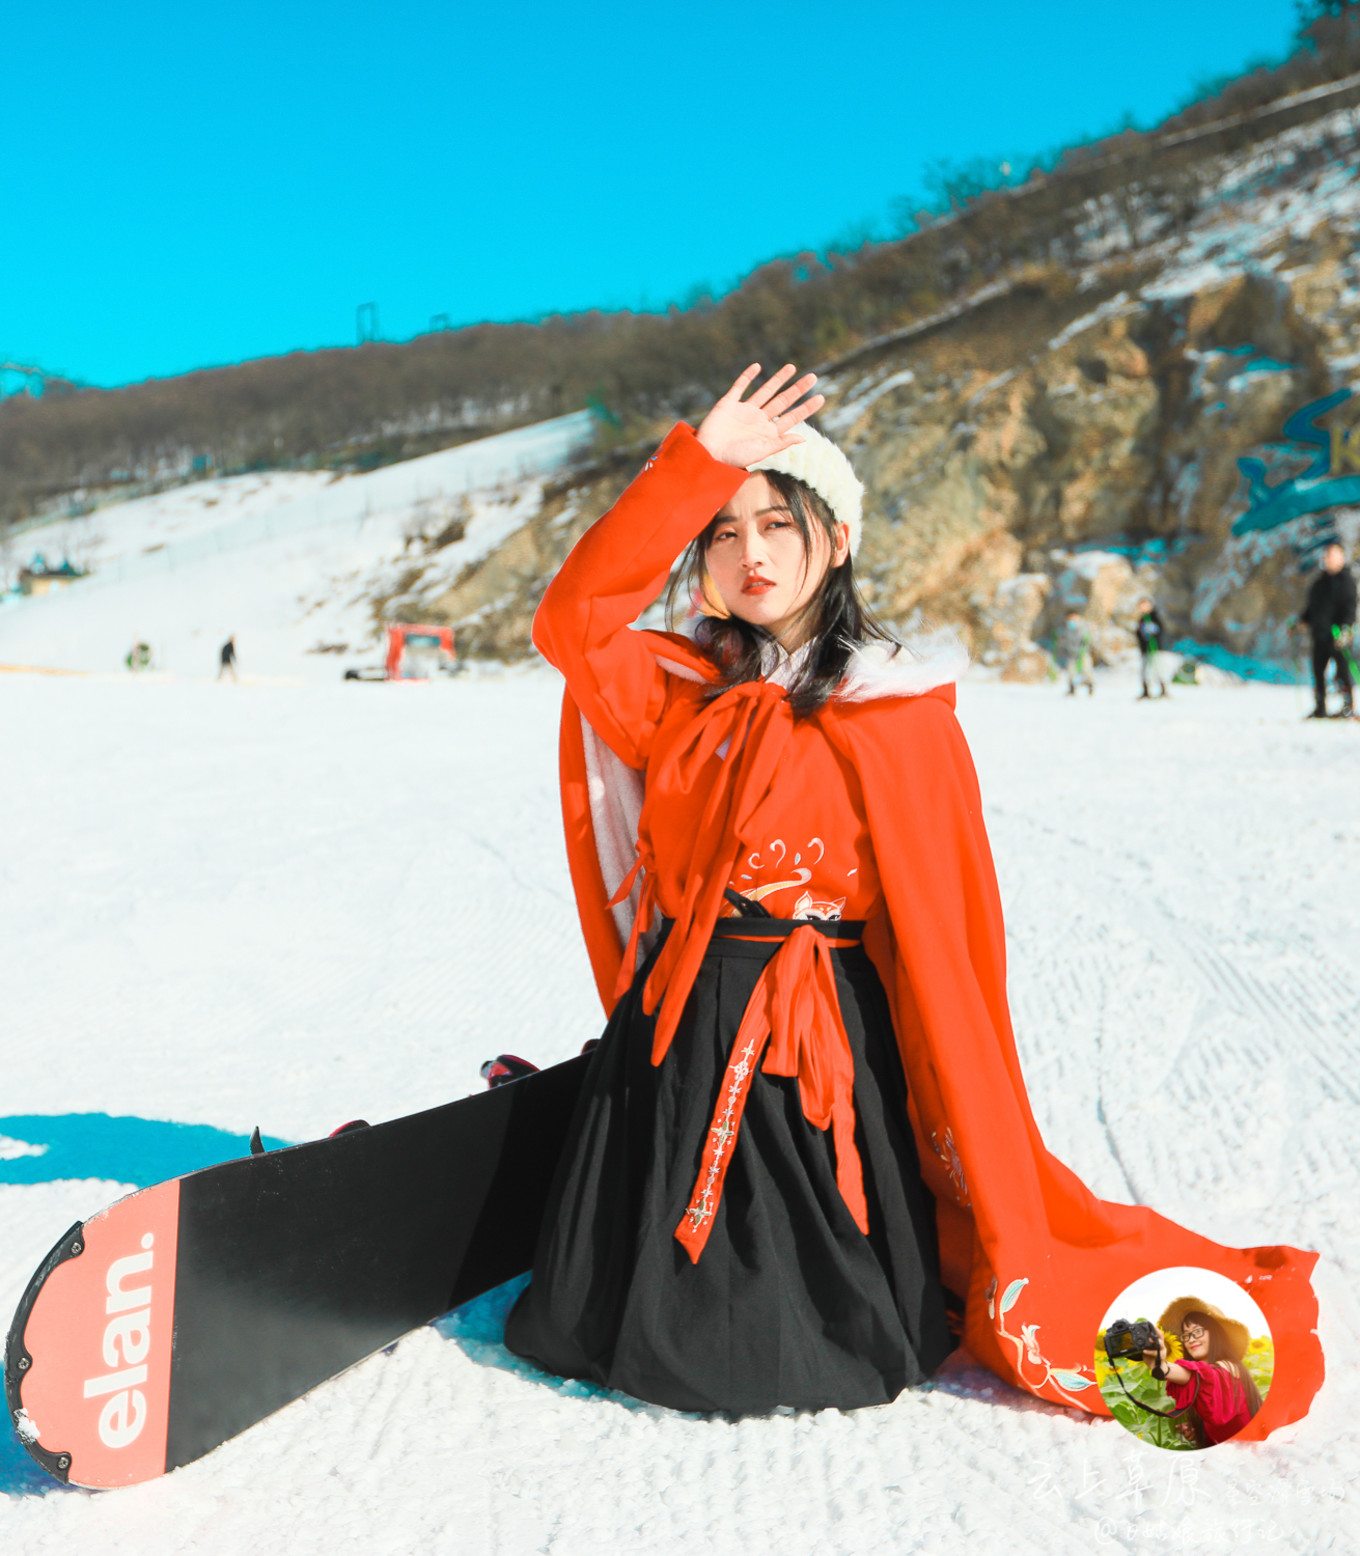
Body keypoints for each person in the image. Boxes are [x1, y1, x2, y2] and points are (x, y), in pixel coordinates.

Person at [505, 363, 1323, 1427]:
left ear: (835, 539)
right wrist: (692, 466)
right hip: (680, 1027)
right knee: (610, 1309)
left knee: (807, 1339)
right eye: (720, 530)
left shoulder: (899, 714)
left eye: (777, 524)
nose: (750, 552)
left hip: (823, 1045)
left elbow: (946, 932)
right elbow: (571, 619)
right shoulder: (677, 692)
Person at [1143, 1297, 1263, 1448]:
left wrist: (1161, 1366)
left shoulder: (1229, 1367)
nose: (1191, 1339)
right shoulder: (1208, 1385)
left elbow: (1197, 1376)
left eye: (1198, 1331)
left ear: (1216, 1333)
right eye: (1186, 1335)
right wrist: (1200, 1431)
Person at [1300, 541, 1356, 718]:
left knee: (1342, 671)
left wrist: (1346, 628)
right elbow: (1312, 607)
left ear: (1341, 558)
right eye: (1327, 556)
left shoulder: (1347, 582)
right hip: (1319, 633)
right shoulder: (1319, 582)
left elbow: (1350, 607)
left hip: (1338, 634)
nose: (1328, 559)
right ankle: (1320, 707)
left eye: (1332, 555)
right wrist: (1302, 621)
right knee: (1318, 672)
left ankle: (1348, 706)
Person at [1133, 598, 1168, 700]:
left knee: (1158, 669)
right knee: (1145, 671)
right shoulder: (1142, 619)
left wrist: (1154, 630)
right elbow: (1138, 634)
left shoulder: (1155, 617)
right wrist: (1142, 635)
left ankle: (1163, 689)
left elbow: (1160, 630)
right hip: (1145, 649)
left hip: (1155, 648)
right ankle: (1145, 690)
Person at [1061, 609, 1094, 695]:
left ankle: (1090, 686)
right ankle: (1072, 688)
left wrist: (1085, 642)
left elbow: (1088, 637)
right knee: (1071, 671)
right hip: (1071, 653)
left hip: (1083, 652)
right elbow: (1065, 640)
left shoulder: (1084, 625)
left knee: (1086, 669)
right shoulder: (1067, 627)